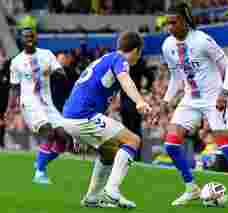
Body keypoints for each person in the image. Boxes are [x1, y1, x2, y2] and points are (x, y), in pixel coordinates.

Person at [159, 2, 228, 208]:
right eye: (167, 23)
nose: (170, 27)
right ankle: (191, 188)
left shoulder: (203, 40)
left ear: (185, 21)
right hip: (190, 99)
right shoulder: (167, 45)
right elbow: (176, 78)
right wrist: (166, 101)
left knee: (226, 147)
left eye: (174, 22)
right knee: (170, 145)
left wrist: (224, 92)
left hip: (214, 98)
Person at [62, 31, 151, 209]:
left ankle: (92, 198)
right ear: (135, 50)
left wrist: (75, 133)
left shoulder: (105, 59)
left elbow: (84, 89)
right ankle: (112, 191)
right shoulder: (120, 60)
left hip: (72, 115)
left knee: (109, 151)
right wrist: (140, 101)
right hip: (82, 115)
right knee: (133, 140)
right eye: (139, 53)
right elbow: (126, 81)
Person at [6, 27, 71, 184]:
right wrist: (10, 108)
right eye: (25, 37)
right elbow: (14, 87)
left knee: (64, 138)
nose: (29, 39)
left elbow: (62, 75)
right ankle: (39, 173)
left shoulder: (47, 55)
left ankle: (41, 162)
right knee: (48, 132)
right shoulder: (16, 62)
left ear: (36, 38)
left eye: (31, 36)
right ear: (21, 40)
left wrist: (52, 71)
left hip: (47, 103)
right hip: (29, 102)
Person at [120, 57, 154, 160]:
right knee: (134, 129)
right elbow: (150, 76)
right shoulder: (139, 61)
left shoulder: (123, 61)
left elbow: (150, 76)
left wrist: (146, 88)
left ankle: (129, 155)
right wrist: (146, 88)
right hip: (133, 100)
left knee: (129, 129)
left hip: (128, 100)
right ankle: (135, 155)